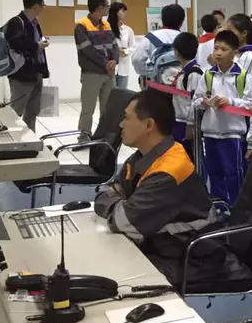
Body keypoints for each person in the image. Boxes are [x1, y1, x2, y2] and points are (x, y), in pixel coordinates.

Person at [93, 89, 223, 286]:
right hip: (165, 246)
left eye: (126, 118)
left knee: (115, 281)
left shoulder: (169, 172)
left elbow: (123, 222)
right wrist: (119, 204)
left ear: (148, 125)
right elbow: (106, 191)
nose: (121, 124)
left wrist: (118, 203)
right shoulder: (142, 157)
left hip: (192, 257)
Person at [192, 30, 252, 205]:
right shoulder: (208, 74)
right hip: (210, 132)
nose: (218, 53)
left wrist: (231, 101)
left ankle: (235, 207)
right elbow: (195, 100)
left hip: (232, 133)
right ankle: (219, 206)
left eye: (224, 49)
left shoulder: (243, 77)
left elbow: (250, 104)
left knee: (233, 173)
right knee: (214, 172)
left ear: (234, 53)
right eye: (216, 48)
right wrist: (203, 102)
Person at [75, 0, 119, 139]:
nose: (108, 8)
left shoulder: (106, 25)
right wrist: (106, 63)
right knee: (88, 108)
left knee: (108, 107)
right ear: (100, 7)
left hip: (109, 73)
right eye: (107, 5)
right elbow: (88, 50)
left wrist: (114, 60)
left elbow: (114, 46)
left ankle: (103, 135)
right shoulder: (82, 26)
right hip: (91, 73)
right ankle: (84, 135)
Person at [4, 0, 50, 132]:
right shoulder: (17, 22)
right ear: (35, 6)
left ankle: (30, 138)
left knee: (33, 110)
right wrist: (36, 46)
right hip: (21, 74)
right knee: (16, 111)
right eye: (43, 4)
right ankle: (10, 139)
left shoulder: (35, 23)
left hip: (37, 71)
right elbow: (15, 44)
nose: (44, 7)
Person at [171, 33, 202, 161]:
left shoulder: (194, 74)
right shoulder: (184, 72)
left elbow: (194, 101)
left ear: (177, 52)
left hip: (186, 123)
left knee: (187, 157)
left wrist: (191, 124)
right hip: (179, 120)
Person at [132, 4, 185, 75]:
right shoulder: (187, 39)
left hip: (157, 80)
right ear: (182, 21)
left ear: (162, 19)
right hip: (182, 79)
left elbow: (137, 59)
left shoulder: (151, 37)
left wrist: (147, 73)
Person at [107, 2, 136, 89]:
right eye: (122, 10)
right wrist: (115, 51)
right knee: (109, 93)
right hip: (109, 66)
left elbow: (133, 47)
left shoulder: (128, 30)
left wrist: (125, 51)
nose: (125, 13)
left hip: (123, 67)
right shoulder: (106, 28)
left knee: (122, 93)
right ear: (115, 12)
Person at [225, 13, 252, 80]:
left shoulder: (249, 55)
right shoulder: (237, 52)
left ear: (244, 33)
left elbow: (239, 78)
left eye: (230, 32)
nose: (227, 35)